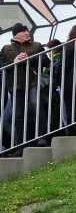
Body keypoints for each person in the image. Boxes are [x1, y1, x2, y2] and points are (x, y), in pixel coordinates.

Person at [0, 23, 45, 156]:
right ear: (16, 35)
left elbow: (46, 62)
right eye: (24, 31)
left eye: (27, 30)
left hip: (32, 83)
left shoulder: (36, 45)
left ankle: (41, 137)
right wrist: (13, 62)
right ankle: (21, 147)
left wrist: (30, 59)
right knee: (19, 116)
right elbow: (0, 65)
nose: (27, 33)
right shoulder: (6, 49)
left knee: (37, 104)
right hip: (15, 86)